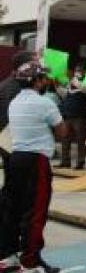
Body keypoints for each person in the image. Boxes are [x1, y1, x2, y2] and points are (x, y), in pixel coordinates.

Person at [0, 61, 68, 273]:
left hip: (15, 157)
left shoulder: (15, 103)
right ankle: (30, 262)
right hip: (36, 160)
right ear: (37, 81)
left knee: (12, 208)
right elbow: (62, 133)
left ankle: (7, 255)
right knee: (35, 212)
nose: (46, 81)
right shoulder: (45, 103)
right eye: (43, 78)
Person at [0, 51, 37, 183]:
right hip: (13, 142)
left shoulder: (8, 84)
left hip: (9, 141)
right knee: (17, 184)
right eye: (34, 64)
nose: (37, 68)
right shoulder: (15, 88)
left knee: (12, 182)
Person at [59, 64, 86, 170]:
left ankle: (80, 162)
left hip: (79, 115)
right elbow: (65, 95)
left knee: (80, 139)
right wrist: (57, 86)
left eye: (79, 70)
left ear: (84, 72)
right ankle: (65, 161)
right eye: (76, 70)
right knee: (65, 138)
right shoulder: (71, 82)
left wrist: (73, 79)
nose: (77, 72)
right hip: (68, 114)